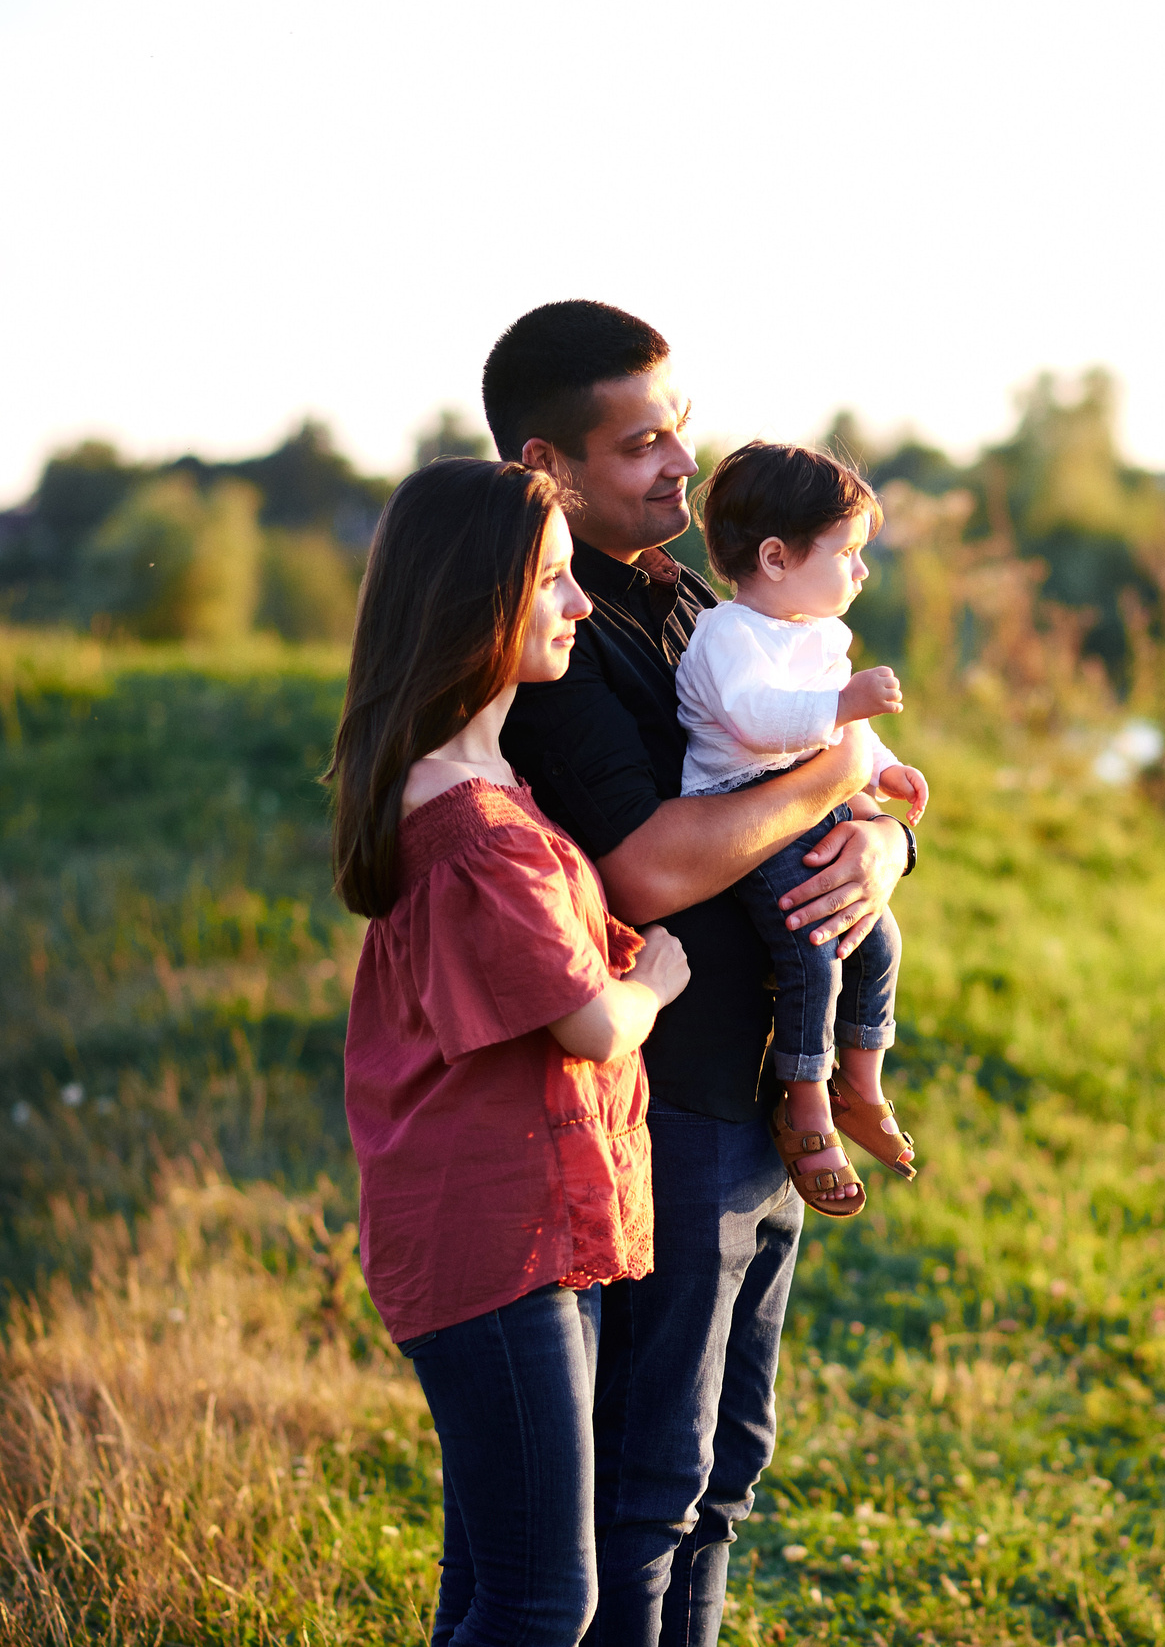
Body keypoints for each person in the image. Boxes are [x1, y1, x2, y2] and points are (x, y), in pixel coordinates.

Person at [483, 300, 917, 1644]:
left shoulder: (691, 598)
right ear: (546, 467)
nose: (682, 462)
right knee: (651, 1474)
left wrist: (888, 841)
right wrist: (843, 771)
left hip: (756, 1072)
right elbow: (654, 868)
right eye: (640, 445)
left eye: (678, 429)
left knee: (728, 1464)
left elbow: (798, 770)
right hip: (663, 1097)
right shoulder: (550, 639)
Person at [330, 457, 693, 1645]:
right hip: (495, 1241)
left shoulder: (487, 781)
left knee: (488, 1582)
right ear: (474, 601)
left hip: (526, 1227)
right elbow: (589, 1021)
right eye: (551, 581)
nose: (581, 602)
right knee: (543, 1602)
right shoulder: (472, 823)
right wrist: (653, 979)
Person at [677, 441, 930, 1219]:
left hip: (809, 801)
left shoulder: (817, 634)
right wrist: (847, 706)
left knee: (876, 936)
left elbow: (840, 734)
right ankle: (807, 1100)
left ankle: (862, 1082)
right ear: (777, 558)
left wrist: (884, 770)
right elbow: (760, 720)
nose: (862, 571)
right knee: (811, 948)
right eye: (847, 552)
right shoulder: (729, 634)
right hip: (744, 806)